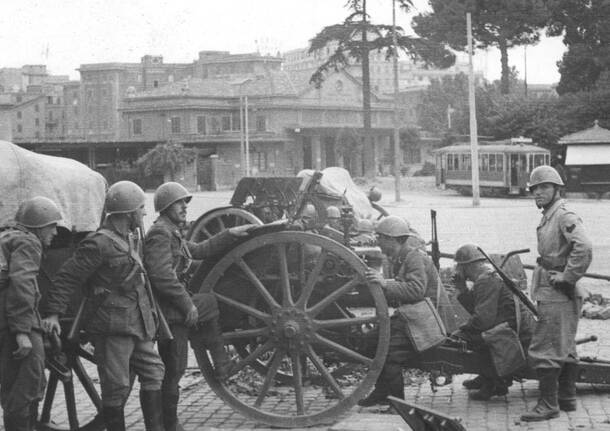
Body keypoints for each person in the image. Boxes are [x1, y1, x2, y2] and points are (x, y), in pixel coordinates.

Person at [43, 181, 166, 431]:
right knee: (116, 386)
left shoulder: (128, 239)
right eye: (140, 208)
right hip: (112, 325)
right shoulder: (98, 244)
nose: (143, 213)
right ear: (128, 212)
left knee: (154, 371)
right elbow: (68, 277)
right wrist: (53, 314)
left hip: (137, 322)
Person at [144, 182, 252, 431]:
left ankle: (221, 365)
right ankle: (168, 424)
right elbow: (160, 276)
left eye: (184, 203)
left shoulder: (172, 231)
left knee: (208, 303)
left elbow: (198, 250)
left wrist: (231, 234)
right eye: (179, 203)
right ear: (166, 207)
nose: (184, 207)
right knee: (174, 369)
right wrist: (186, 305)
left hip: (173, 306)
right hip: (168, 312)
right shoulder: (160, 233)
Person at [357, 215, 456, 406]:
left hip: (426, 320)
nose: (378, 241)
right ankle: (382, 391)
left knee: (389, 352)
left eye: (380, 238)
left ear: (392, 239)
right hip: (412, 316)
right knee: (371, 341)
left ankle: (396, 402)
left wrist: (385, 284)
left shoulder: (414, 258)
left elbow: (416, 290)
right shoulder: (399, 258)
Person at [521, 166, 592, 422]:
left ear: (557, 189)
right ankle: (566, 398)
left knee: (547, 346)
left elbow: (583, 247)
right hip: (554, 288)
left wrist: (568, 276)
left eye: (544, 187)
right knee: (566, 344)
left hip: (557, 290)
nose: (538, 192)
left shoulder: (563, 215)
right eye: (534, 188)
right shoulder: (550, 215)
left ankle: (548, 404)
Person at [0, 197, 61, 431]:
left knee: (15, 385)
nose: (55, 232)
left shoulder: (8, 238)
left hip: (5, 324)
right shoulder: (29, 242)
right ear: (38, 225)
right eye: (52, 226)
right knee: (27, 383)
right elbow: (22, 283)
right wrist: (22, 332)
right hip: (16, 325)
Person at [450, 244, 533, 400]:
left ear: (467, 266)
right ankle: (486, 376)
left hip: (510, 331)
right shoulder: (485, 277)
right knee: (471, 335)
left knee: (472, 338)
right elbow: (479, 308)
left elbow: (483, 320)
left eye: (459, 266)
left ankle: (495, 384)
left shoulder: (485, 281)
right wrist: (462, 289)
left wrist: (462, 329)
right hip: (508, 326)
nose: (457, 270)